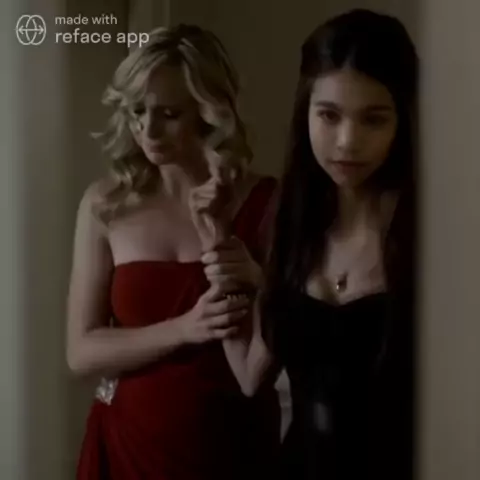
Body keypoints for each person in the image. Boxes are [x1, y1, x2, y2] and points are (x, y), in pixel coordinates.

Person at [204, 9, 418, 479]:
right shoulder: (294, 227)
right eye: (329, 115)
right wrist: (217, 231)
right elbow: (249, 374)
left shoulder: (431, 236)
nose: (347, 141)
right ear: (305, 113)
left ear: (403, 121)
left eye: (373, 119)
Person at [66, 24, 280, 480]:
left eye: (169, 114)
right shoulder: (106, 205)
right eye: (137, 111)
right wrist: (184, 328)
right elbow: (81, 351)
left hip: (233, 447)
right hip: (127, 447)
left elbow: (285, 329)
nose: (148, 130)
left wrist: (256, 278)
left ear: (208, 113)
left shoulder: (267, 203)